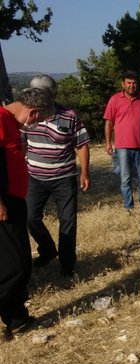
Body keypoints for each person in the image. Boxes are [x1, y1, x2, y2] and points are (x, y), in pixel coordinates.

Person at [0, 87, 54, 339]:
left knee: (13, 263)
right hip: (5, 204)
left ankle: (17, 320)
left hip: (14, 201)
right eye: (39, 119)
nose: (37, 124)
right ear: (32, 113)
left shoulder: (10, 122)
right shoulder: (0, 120)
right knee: (16, 267)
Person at [25, 75, 90, 277]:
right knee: (30, 218)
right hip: (34, 177)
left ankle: (67, 264)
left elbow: (81, 144)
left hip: (63, 177)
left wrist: (85, 172)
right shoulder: (27, 116)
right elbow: (18, 145)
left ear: (55, 95)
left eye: (43, 96)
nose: (38, 100)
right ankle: (47, 249)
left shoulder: (69, 116)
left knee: (68, 221)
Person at [104, 70, 140, 214]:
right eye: (129, 83)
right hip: (123, 146)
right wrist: (108, 142)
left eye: (134, 83)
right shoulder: (114, 100)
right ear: (123, 84)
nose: (132, 86)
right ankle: (128, 207)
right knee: (125, 178)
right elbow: (108, 123)